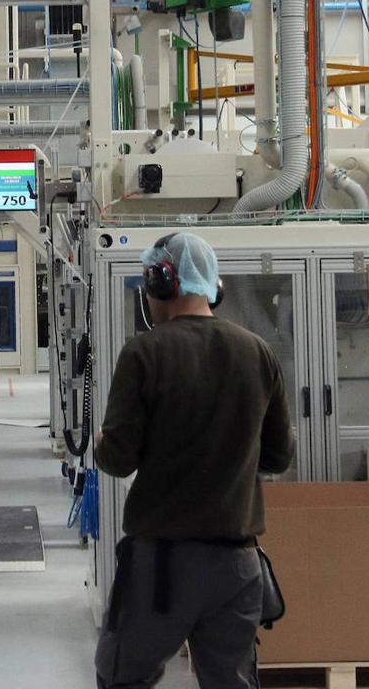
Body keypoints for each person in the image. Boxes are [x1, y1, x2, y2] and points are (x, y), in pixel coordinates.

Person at [93, 232, 295, 689]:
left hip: (162, 568)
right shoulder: (258, 352)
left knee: (123, 677)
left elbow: (118, 460)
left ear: (163, 283)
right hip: (238, 568)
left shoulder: (144, 352)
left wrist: (104, 440)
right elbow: (280, 455)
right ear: (213, 288)